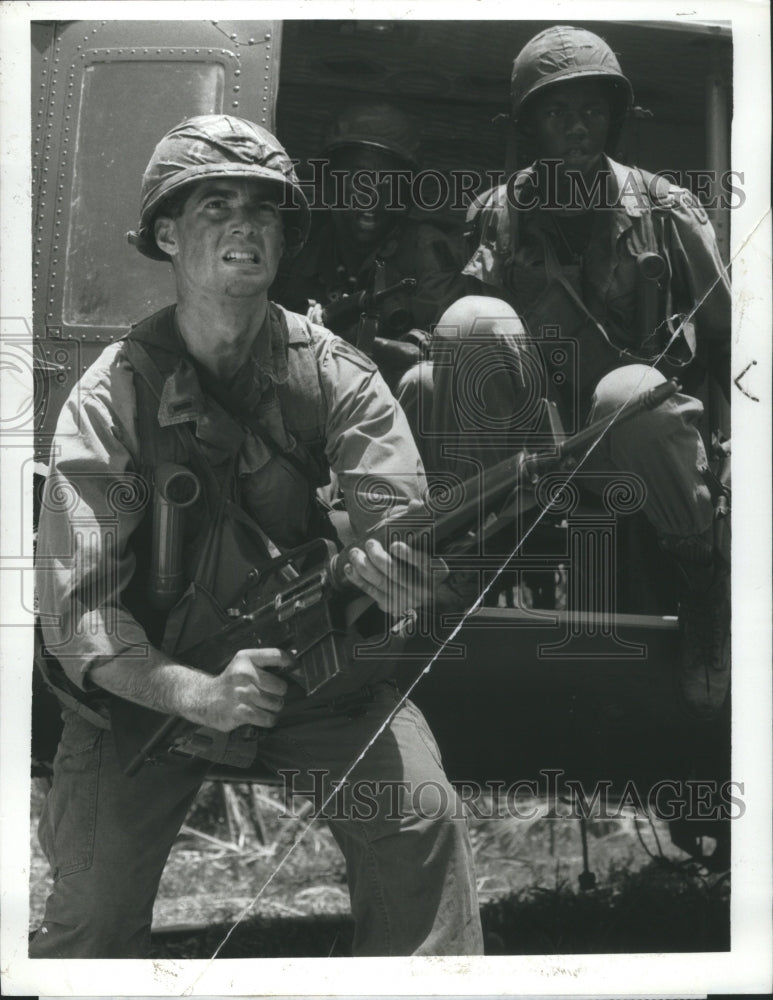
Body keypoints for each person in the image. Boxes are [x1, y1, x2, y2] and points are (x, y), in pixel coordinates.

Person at [31, 115, 482, 958]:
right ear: (166, 234)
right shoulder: (111, 398)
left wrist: (401, 582)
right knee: (89, 924)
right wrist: (197, 695)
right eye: (216, 205)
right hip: (146, 696)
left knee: (420, 822)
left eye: (266, 209)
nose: (247, 224)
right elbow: (79, 621)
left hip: (310, 679)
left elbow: (404, 530)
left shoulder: (337, 375)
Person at [404, 26, 731, 720]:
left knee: (630, 392)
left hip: (633, 442)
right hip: (529, 449)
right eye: (558, 113)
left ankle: (700, 581)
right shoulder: (498, 216)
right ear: (528, 126)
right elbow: (469, 340)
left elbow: (734, 344)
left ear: (613, 118)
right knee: (461, 332)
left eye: (591, 111)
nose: (578, 129)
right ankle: (468, 568)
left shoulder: (665, 211)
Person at [271, 102, 469, 388]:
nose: (371, 195)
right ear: (331, 183)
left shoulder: (426, 250)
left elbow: (445, 356)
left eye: (388, 181)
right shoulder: (300, 243)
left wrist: (357, 342)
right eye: (357, 178)